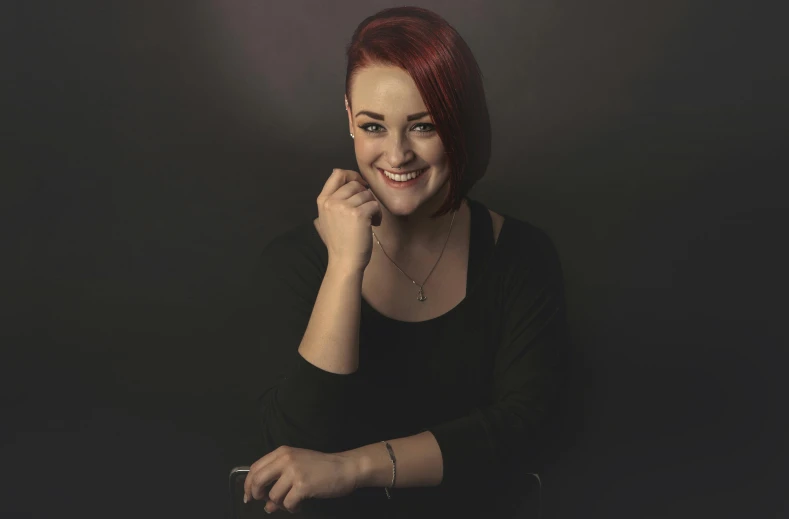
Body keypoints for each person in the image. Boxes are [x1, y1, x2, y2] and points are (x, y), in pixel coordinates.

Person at [242, 6, 570, 518]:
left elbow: (526, 430)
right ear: (349, 118)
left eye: (423, 126)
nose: (396, 156)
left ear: (459, 124)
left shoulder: (522, 255)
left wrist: (354, 468)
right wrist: (345, 267)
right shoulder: (290, 263)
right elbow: (292, 452)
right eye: (374, 126)